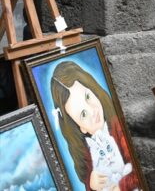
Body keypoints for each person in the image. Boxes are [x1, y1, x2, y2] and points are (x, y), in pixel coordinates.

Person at [51, 61, 142, 191]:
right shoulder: (86, 151)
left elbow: (138, 165)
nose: (92, 110)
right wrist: (91, 185)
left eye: (88, 97)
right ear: (80, 127)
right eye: (83, 114)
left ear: (93, 90)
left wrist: (121, 186)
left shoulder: (117, 126)